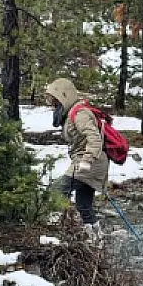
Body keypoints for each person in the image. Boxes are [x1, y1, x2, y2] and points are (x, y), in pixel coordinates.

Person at [44, 78, 109, 229]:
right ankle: (96, 240)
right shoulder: (70, 114)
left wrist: (87, 160)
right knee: (84, 206)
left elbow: (94, 139)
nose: (53, 105)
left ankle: (60, 228)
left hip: (90, 163)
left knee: (57, 189)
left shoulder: (80, 114)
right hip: (90, 162)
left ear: (65, 97)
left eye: (55, 101)